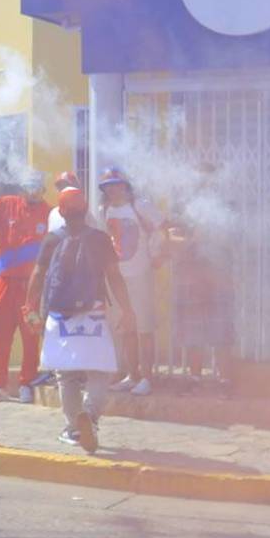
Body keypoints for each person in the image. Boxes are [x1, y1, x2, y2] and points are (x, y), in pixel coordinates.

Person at [25, 188, 136, 453]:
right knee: (100, 370)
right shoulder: (100, 239)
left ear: (61, 212)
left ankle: (75, 427)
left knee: (66, 375)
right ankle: (90, 416)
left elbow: (38, 276)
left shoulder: (52, 239)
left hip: (60, 316)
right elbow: (114, 276)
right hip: (94, 312)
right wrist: (127, 310)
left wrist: (30, 309)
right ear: (86, 210)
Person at [0, 171, 52, 404]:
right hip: (6, 282)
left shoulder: (49, 212)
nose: (33, 193)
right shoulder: (7, 204)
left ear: (43, 191)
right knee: (0, 334)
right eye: (29, 187)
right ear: (22, 188)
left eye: (37, 188)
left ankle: (27, 382)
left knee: (30, 334)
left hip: (32, 285)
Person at [98, 167, 167, 397]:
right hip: (117, 278)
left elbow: (162, 228)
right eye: (108, 186)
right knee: (125, 327)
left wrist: (156, 253)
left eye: (116, 184)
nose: (112, 189)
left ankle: (147, 376)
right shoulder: (104, 209)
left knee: (144, 327)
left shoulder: (141, 206)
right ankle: (132, 374)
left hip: (140, 273)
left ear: (125, 185)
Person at [168, 207, 234, 393]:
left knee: (221, 338)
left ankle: (225, 382)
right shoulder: (182, 222)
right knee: (192, 338)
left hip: (217, 291)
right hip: (191, 294)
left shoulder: (222, 233)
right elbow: (169, 241)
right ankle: (195, 379)